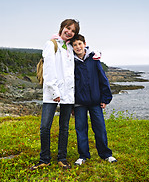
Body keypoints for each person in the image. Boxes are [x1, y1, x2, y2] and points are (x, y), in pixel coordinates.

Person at [30, 19, 80, 170]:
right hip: (52, 93)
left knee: (64, 127)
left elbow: (73, 70)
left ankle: (62, 158)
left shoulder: (70, 48)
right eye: (68, 28)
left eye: (73, 30)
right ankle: (44, 158)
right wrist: (54, 91)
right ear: (62, 28)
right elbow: (49, 70)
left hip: (68, 95)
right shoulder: (51, 44)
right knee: (45, 127)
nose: (69, 32)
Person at [71, 34, 117, 165]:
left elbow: (103, 79)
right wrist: (72, 105)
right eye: (75, 45)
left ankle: (106, 154)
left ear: (84, 44)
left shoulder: (94, 59)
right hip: (79, 102)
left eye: (80, 44)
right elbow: (71, 83)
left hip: (95, 101)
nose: (78, 47)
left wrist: (105, 98)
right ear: (72, 47)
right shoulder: (71, 62)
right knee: (80, 129)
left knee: (100, 128)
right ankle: (83, 156)